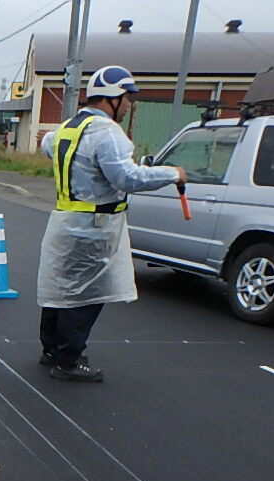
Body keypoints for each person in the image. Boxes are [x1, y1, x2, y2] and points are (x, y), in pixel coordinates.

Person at [36, 65, 186, 381]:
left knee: (61, 290)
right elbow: (127, 177)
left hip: (65, 221)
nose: (129, 105)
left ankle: (52, 349)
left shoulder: (67, 128)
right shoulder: (106, 132)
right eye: (128, 98)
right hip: (94, 225)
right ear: (114, 97)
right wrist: (172, 173)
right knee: (85, 296)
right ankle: (69, 360)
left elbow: (46, 144)